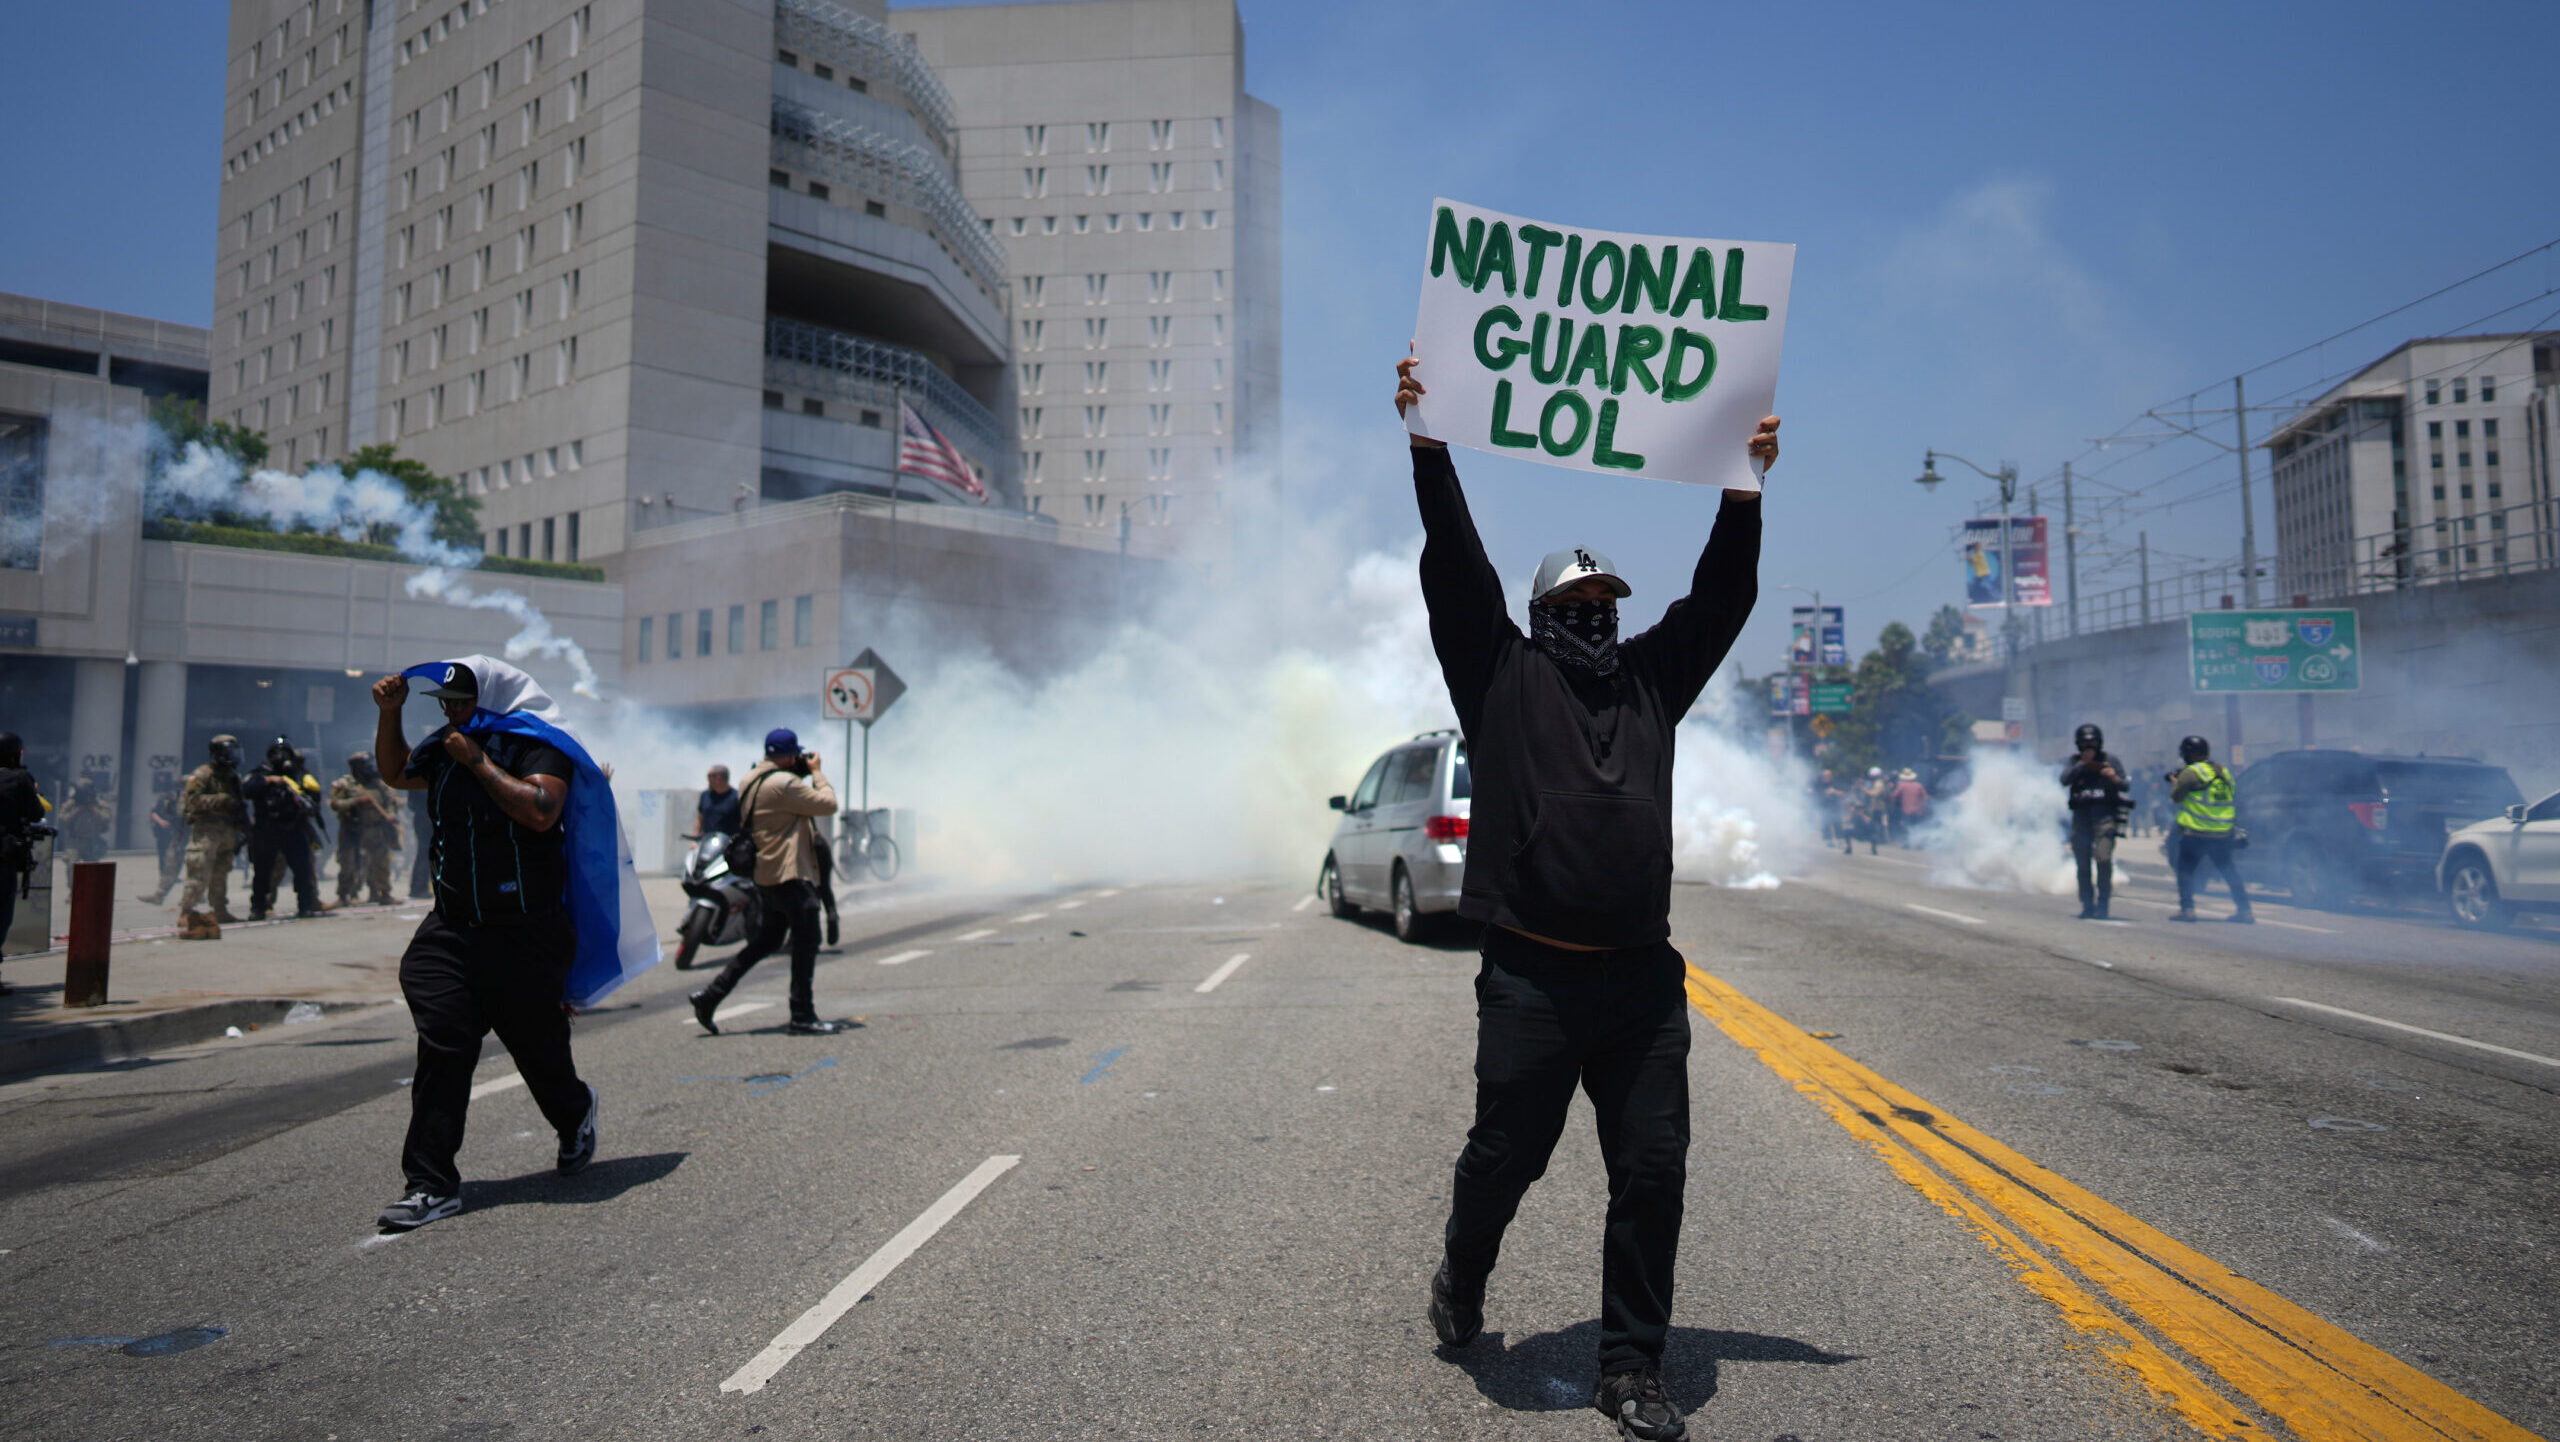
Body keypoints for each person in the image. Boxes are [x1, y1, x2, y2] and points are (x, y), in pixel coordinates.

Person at [1398, 352, 1777, 1442]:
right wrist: (1428, 444)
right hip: (1532, 977)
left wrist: (1743, 487)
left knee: (1652, 1171)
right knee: (1505, 1158)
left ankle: (1631, 1368)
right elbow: (1455, 564)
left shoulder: (1654, 681)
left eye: (1607, 601)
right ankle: (1464, 1272)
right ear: (1541, 611)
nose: (1597, 615)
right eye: (1577, 602)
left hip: (1642, 984)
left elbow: (1723, 598)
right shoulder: (1499, 674)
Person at [369, 660, 600, 1231]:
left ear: (493, 698)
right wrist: (390, 715)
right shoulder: (443, 745)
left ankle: (575, 1113)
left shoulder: (538, 747)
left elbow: (541, 811)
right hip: (452, 930)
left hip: (525, 932)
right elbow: (396, 773)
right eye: (445, 704)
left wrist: (477, 762)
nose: (452, 713)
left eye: (462, 702)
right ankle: (430, 1184)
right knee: (445, 1045)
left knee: (539, 1053)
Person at [688, 729, 849, 1036]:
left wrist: (796, 772)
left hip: (766, 873)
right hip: (789, 873)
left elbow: (781, 804)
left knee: (766, 941)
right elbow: (827, 804)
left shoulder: (750, 780)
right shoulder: (784, 784)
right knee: (807, 940)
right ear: (789, 756)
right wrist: (816, 773)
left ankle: (710, 997)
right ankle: (802, 1015)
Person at [2166, 735, 2252, 924]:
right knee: (2229, 870)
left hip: (2196, 832)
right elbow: (2233, 795)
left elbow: (2176, 797)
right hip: (2222, 832)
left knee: (2185, 870)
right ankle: (2245, 910)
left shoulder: (2190, 773)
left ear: (2189, 754)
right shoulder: (2224, 772)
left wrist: (2175, 782)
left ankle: (2187, 909)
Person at [242, 736, 326, 920]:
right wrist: (270, 781)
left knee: (303, 870)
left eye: (284, 753)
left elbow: (315, 798)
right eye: (276, 753)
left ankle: (306, 906)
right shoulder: (261, 773)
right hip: (267, 830)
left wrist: (302, 798)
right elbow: (246, 789)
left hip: (293, 828)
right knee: (262, 873)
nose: (280, 757)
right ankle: (258, 908)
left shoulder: (299, 774)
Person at [2061, 723, 2129, 919]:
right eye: (2085, 743)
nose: (2089, 747)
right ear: (2078, 744)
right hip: (2081, 818)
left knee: (2103, 859)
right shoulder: (2074, 762)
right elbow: (2064, 780)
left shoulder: (2110, 760)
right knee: (2083, 864)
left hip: (2104, 818)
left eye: (2093, 743)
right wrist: (2082, 765)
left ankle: (2103, 903)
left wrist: (2114, 778)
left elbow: (2125, 786)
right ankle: (2087, 903)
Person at [0, 733, 50, 996]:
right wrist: (33, 789)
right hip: (2, 858)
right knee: (1, 917)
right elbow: (36, 812)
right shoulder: (19, 779)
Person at [178, 735, 247, 924]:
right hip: (207, 830)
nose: (233, 756)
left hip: (227, 831)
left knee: (221, 872)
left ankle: (219, 909)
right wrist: (221, 799)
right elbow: (192, 802)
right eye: (228, 752)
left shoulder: (233, 777)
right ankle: (186, 911)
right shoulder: (202, 774)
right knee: (199, 871)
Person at [329, 751, 403, 907]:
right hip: (352, 830)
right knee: (348, 863)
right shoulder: (345, 784)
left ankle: (384, 893)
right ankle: (344, 895)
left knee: (381, 863)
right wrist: (356, 801)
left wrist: (390, 815)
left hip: (375, 830)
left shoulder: (378, 784)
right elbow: (335, 804)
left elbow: (390, 802)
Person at [140, 784, 186, 903]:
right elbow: (155, 812)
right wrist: (161, 822)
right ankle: (159, 895)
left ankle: (195, 897)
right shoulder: (169, 799)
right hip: (175, 836)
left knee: (197, 866)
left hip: (191, 837)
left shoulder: (193, 801)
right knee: (169, 863)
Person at [60, 779, 113, 865]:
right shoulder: (72, 804)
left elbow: (107, 818)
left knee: (92, 867)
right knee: (72, 865)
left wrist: (94, 810)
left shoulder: (99, 805)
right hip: (75, 840)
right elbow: (63, 820)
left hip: (92, 841)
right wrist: (77, 811)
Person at [696, 765, 743, 839]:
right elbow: (699, 819)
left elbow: (743, 823)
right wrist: (695, 839)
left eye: (709, 776)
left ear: (719, 778)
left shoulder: (737, 797)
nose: (708, 780)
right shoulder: (705, 795)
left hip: (729, 843)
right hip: (707, 841)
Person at [1890, 767, 1929, 847]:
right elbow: (1926, 798)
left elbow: (1894, 796)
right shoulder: (1919, 785)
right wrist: (1922, 805)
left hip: (1906, 810)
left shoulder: (1902, 785)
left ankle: (1907, 843)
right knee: (1917, 827)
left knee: (1906, 826)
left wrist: (1893, 805)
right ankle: (1919, 843)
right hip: (1918, 811)